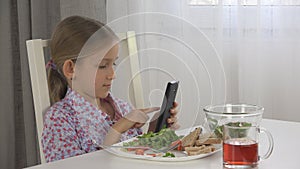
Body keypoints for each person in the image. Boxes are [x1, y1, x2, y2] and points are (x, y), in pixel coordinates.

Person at [41, 15, 179, 162]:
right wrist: (116, 130)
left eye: (113, 64)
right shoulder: (60, 119)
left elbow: (136, 157)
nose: (112, 75)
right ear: (71, 69)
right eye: (102, 66)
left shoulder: (122, 108)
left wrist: (154, 133)